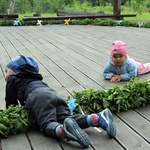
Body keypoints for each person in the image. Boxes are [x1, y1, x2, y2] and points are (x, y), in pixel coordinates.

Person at [5, 55, 116, 148]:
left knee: (47, 123)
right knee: (66, 118)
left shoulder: (13, 78)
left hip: (37, 96)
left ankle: (63, 131)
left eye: (6, 71)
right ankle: (97, 118)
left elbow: (10, 102)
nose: (5, 75)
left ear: (16, 70)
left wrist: (12, 115)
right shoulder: (36, 78)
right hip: (52, 93)